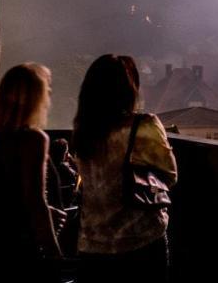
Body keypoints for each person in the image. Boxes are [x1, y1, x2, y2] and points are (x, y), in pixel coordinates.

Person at [73, 55, 177, 282]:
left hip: (91, 246)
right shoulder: (144, 125)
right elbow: (170, 175)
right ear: (130, 89)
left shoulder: (84, 132)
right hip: (140, 240)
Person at [0, 63, 63, 283]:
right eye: (46, 88)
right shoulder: (34, 139)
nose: (50, 93)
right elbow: (35, 200)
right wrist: (54, 253)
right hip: (23, 249)